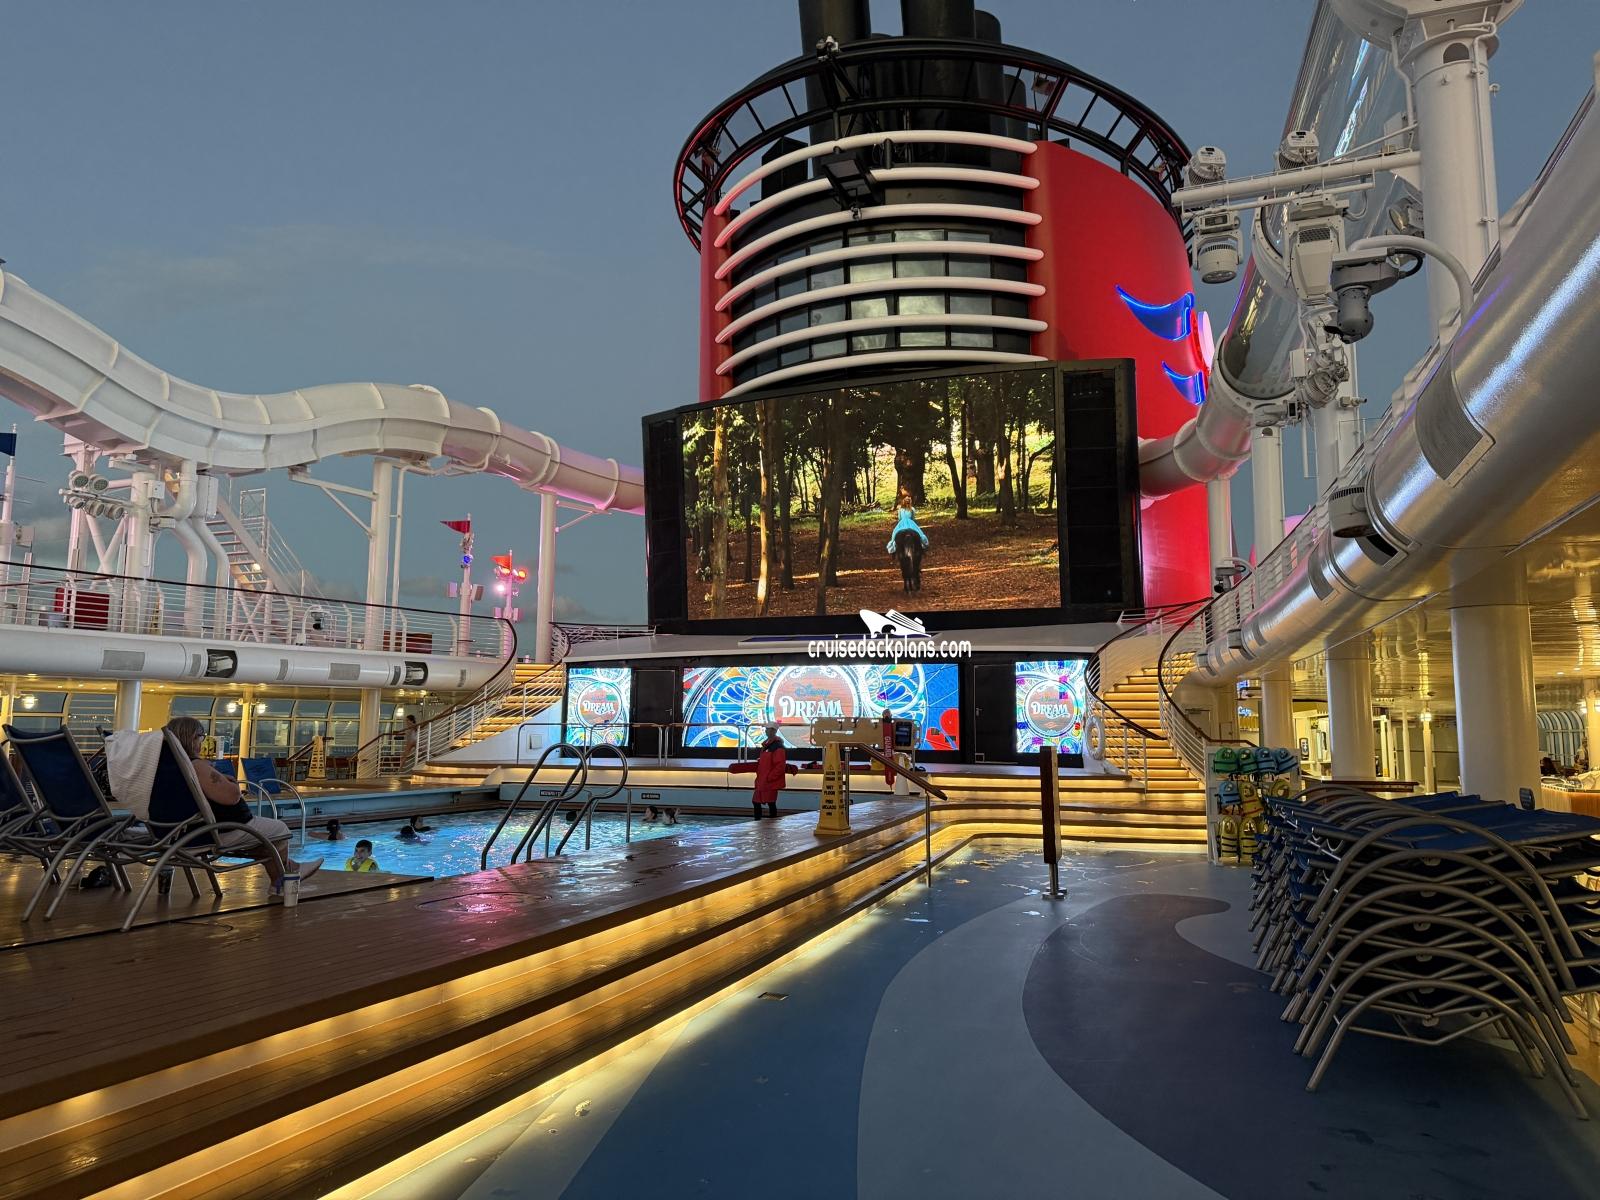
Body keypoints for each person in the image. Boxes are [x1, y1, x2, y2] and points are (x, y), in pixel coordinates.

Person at [165, 716, 322, 892]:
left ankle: (287, 872)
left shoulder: (166, 768)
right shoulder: (195, 766)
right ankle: (283, 879)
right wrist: (229, 782)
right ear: (193, 738)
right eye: (202, 737)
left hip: (177, 833)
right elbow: (231, 797)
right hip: (213, 833)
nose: (202, 742)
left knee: (264, 840)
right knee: (279, 830)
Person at [751, 725, 787, 820]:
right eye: (766, 729)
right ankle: (762, 822)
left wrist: (770, 777)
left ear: (774, 731)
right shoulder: (767, 745)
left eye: (768, 729)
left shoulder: (778, 746)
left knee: (769, 802)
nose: (766, 731)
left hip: (769, 781)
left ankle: (768, 822)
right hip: (763, 780)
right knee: (759, 801)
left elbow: (780, 765)